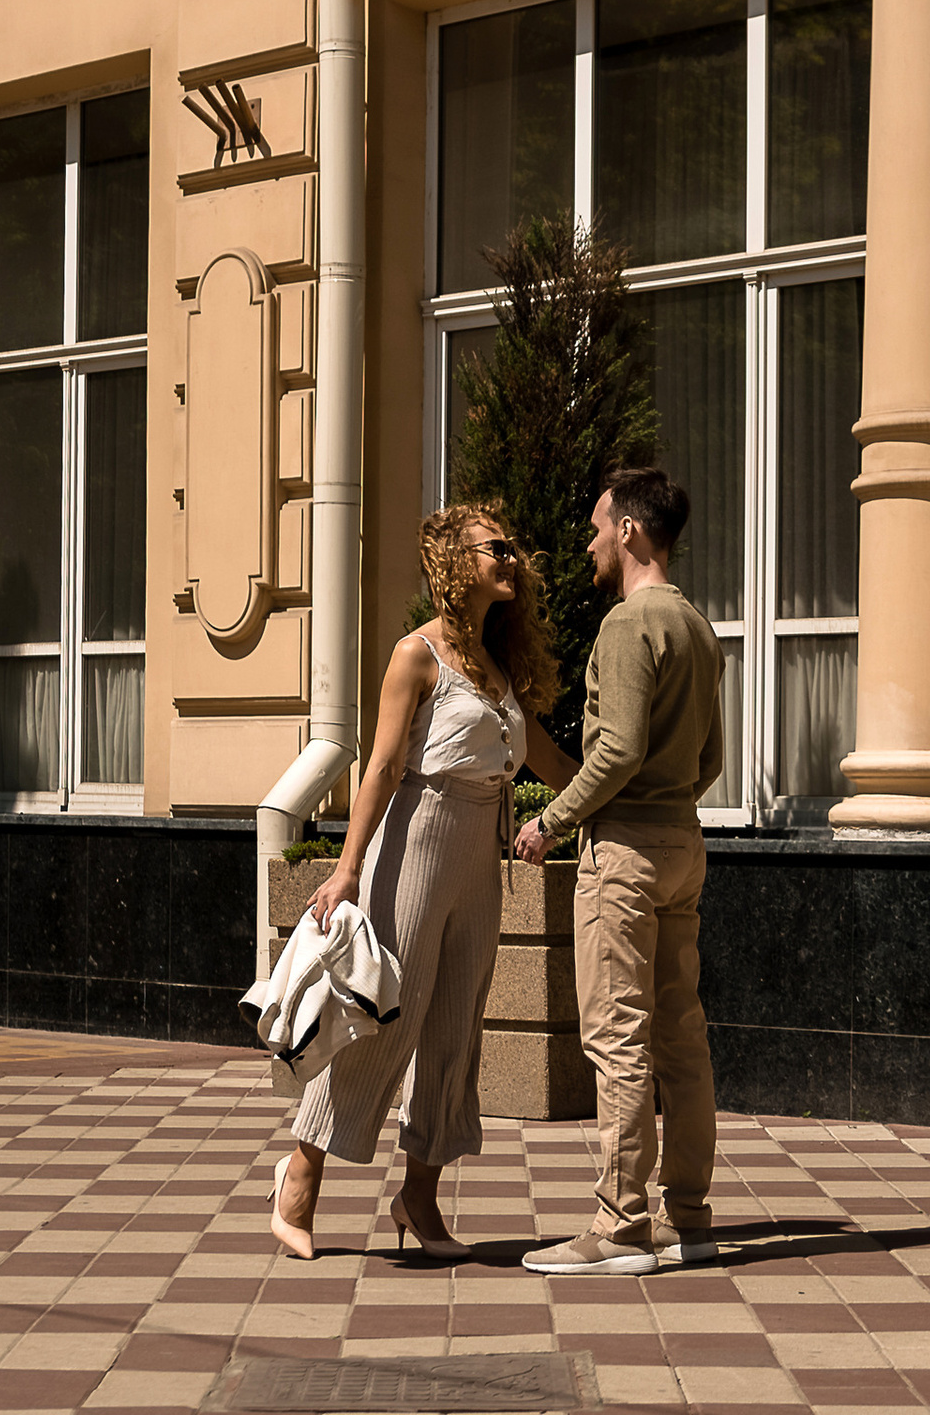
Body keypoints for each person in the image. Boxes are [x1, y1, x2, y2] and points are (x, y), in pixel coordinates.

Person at [267, 506, 579, 1261]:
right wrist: (347, 868)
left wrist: (614, 800)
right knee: (385, 1015)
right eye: (495, 549)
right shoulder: (417, 656)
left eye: (513, 548)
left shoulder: (498, 668)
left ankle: (420, 1197)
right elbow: (380, 767)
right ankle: (301, 1172)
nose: (513, 559)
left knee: (456, 1030)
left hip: (481, 853)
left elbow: (549, 762)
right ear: (453, 561)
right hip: (416, 839)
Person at [516, 465, 726, 1276]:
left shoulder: (626, 625)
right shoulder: (700, 628)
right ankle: (693, 1219)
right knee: (682, 1040)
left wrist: (553, 818)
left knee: (619, 1042)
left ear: (632, 531)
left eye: (601, 526)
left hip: (627, 855)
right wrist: (669, 805)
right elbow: (708, 757)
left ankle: (621, 1228)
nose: (592, 540)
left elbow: (618, 746)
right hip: (683, 845)